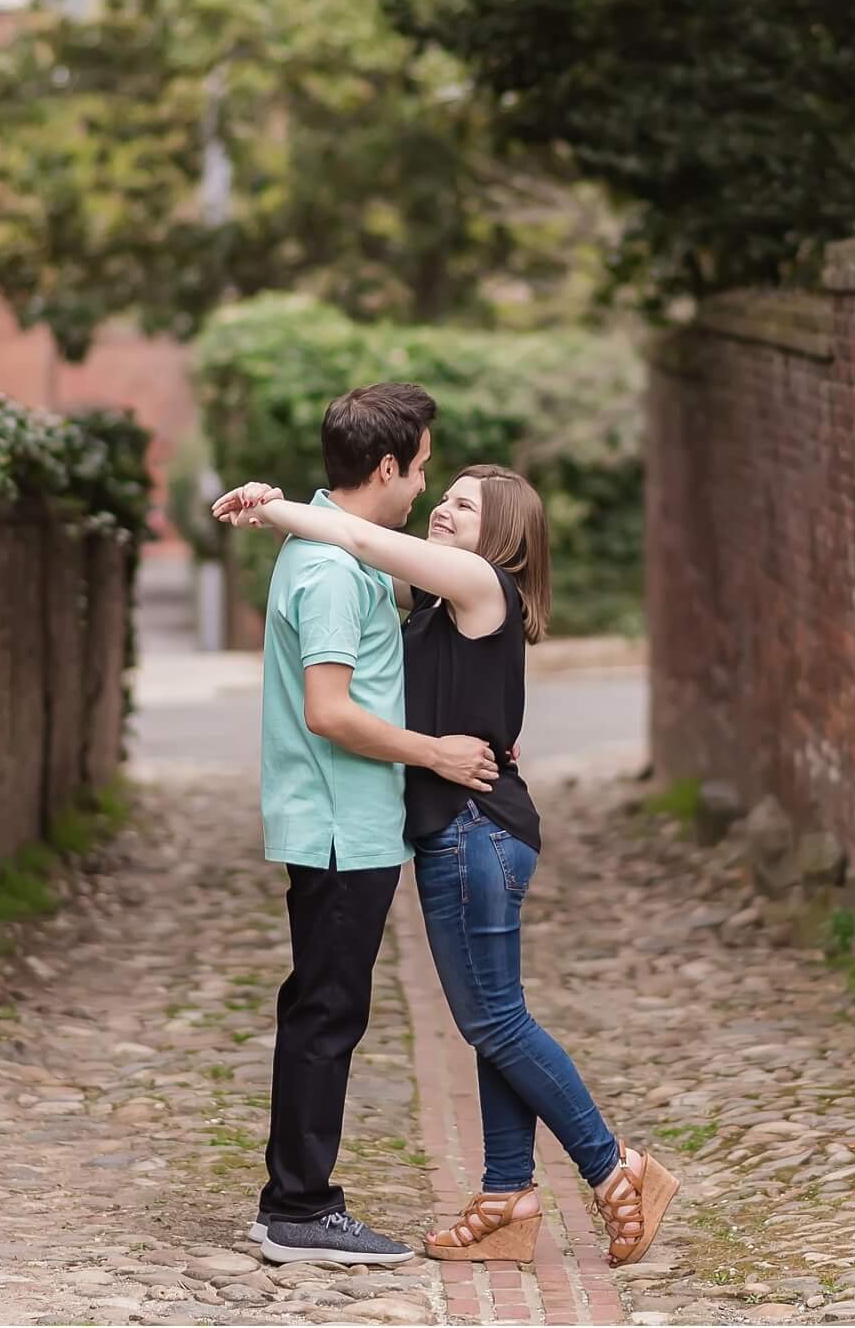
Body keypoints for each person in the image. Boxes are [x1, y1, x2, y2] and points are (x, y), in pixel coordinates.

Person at [215, 460, 677, 1270]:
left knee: (496, 1020)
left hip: (476, 831)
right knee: (491, 1021)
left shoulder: (478, 582)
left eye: (467, 504)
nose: (444, 507)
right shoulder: (440, 605)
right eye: (444, 492)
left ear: (500, 535)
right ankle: (506, 1197)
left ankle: (614, 1167)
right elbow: (367, 580)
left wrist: (276, 506)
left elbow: (358, 534)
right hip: (459, 834)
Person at [245, 382, 506, 1268]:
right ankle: (298, 1208)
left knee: (324, 1005)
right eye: (423, 470)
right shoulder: (325, 572)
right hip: (336, 824)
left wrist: (273, 503)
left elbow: (375, 547)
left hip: (347, 821)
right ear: (387, 467)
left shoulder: (333, 547)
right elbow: (329, 711)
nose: (425, 490)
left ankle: (297, 1198)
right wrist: (435, 753)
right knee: (326, 1011)